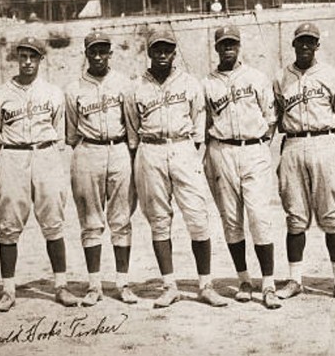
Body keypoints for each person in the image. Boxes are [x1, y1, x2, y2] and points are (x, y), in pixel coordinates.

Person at [126, 29, 230, 308]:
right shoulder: (136, 86)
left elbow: (199, 122)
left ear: (174, 52)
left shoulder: (189, 83)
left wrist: (188, 149)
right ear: (149, 52)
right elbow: (133, 129)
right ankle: (169, 285)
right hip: (150, 149)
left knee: (197, 216)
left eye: (167, 49)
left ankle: (205, 284)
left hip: (183, 147)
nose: (162, 54)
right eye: (157, 49)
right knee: (159, 220)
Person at [0, 37, 78, 312]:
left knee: (53, 221)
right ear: (17, 58)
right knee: (8, 225)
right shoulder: (0, 93)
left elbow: (60, 131)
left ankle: (60, 285)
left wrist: (48, 154)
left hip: (46, 153)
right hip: (13, 155)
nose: (27, 62)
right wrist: (7, 158)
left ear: (41, 60)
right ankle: (8, 290)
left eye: (33, 57)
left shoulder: (53, 92)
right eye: (23, 56)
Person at [273, 22, 335, 302]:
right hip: (294, 142)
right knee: (295, 217)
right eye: (301, 41)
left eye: (311, 42)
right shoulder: (280, 78)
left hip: (324, 140)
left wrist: (332, 138)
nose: (306, 46)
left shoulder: (331, 75)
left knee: (331, 216)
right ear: (293, 44)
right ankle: (295, 279)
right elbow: (277, 112)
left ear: (318, 45)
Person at [202, 25, 282, 310]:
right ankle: (245, 279)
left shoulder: (257, 78)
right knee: (232, 221)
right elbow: (205, 123)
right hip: (222, 150)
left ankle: (269, 284)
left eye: (232, 44)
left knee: (260, 217)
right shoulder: (207, 83)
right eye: (223, 44)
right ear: (216, 48)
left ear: (239, 46)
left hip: (254, 148)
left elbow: (270, 118)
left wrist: (260, 146)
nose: (228, 49)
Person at [65, 31, 138, 307]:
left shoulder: (124, 84)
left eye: (102, 51)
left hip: (119, 149)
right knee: (91, 221)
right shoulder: (73, 89)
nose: (98, 56)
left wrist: (129, 151)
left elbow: (131, 123)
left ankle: (122, 283)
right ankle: (94, 284)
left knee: (121, 219)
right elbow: (71, 131)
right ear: (86, 54)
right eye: (93, 51)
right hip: (88, 149)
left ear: (110, 53)